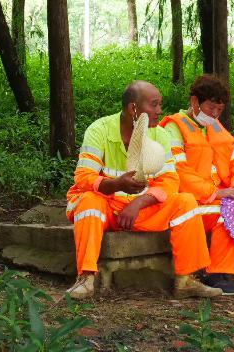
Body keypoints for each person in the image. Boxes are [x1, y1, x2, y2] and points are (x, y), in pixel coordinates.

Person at [65, 80, 221, 299]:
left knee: (185, 201)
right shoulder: (99, 130)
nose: (160, 111)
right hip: (107, 206)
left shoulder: (160, 134)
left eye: (160, 104)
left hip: (142, 210)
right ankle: (86, 278)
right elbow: (83, 177)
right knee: (89, 201)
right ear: (133, 109)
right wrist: (117, 184)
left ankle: (186, 280)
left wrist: (139, 202)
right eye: (154, 104)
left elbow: (169, 181)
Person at [159, 74, 234, 295]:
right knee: (226, 213)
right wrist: (218, 193)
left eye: (220, 109)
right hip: (190, 201)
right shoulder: (174, 127)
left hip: (220, 194)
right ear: (194, 101)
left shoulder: (214, 126)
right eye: (211, 108)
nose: (215, 114)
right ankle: (217, 272)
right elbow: (178, 172)